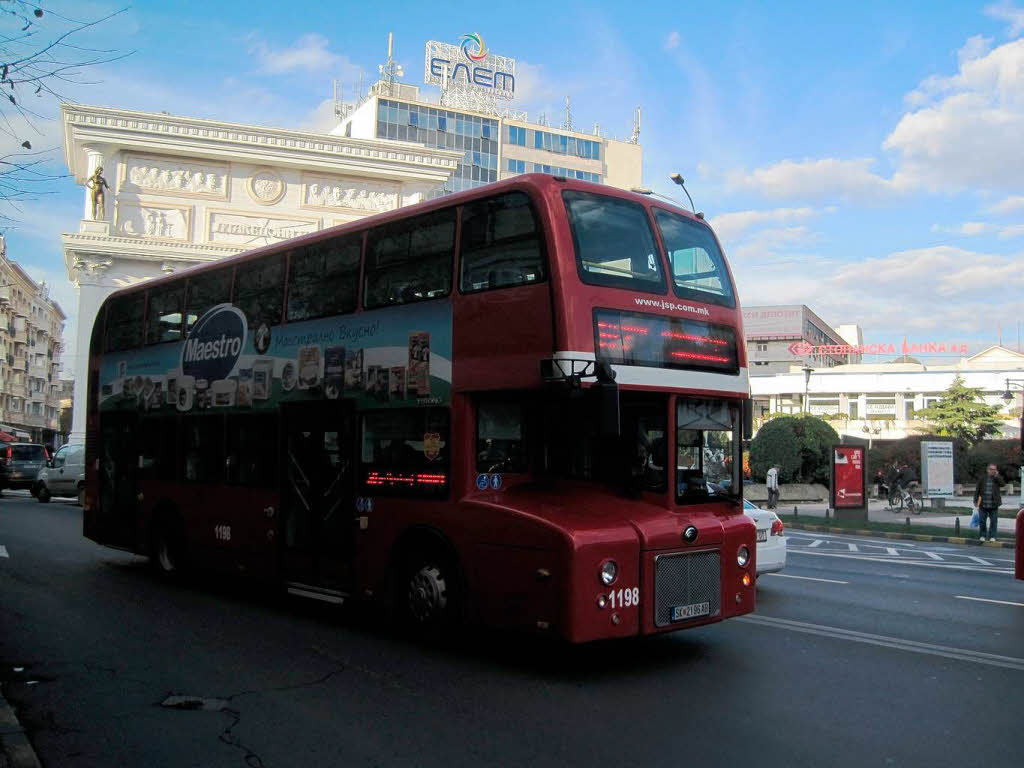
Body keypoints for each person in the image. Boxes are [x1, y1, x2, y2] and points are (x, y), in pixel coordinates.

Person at [973, 464, 1003, 542]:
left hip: (993, 504)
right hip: (983, 504)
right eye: (991, 469)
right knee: (982, 521)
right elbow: (977, 490)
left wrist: (997, 476)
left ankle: (992, 536)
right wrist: (975, 501)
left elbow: (1003, 484)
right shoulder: (982, 478)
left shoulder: (996, 478)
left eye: (994, 469)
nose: (992, 471)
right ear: (987, 470)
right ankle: (982, 535)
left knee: (993, 521)